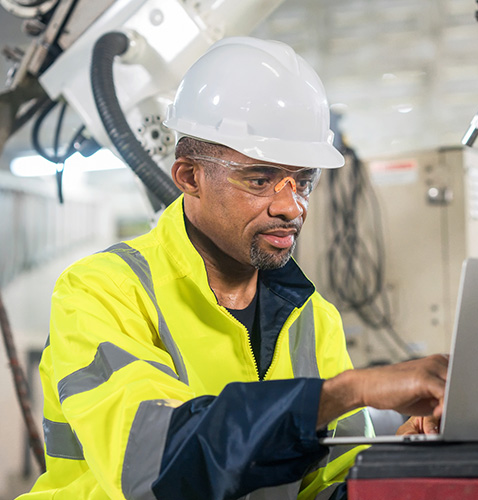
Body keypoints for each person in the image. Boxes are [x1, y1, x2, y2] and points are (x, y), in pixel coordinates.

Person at [20, 37, 447, 500]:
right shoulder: (103, 291)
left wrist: (401, 467)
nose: (291, 207)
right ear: (189, 177)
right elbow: (154, 464)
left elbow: (329, 487)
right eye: (260, 180)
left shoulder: (314, 318)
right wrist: (349, 390)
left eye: (303, 181)